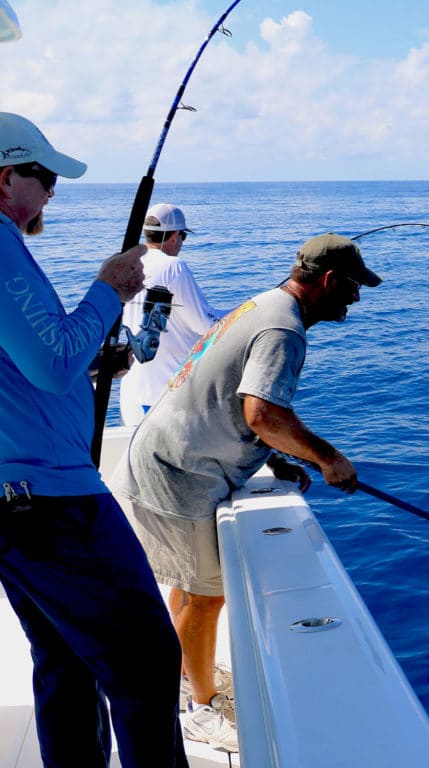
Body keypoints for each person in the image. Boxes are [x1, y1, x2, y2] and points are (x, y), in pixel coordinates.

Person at [112, 233, 382, 752]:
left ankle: (193, 677)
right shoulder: (284, 328)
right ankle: (197, 710)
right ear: (327, 281)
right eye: (352, 287)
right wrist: (327, 459)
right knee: (204, 594)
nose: (356, 297)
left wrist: (273, 453)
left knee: (193, 587)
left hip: (170, 458)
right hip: (180, 472)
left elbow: (239, 402)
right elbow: (263, 412)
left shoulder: (263, 303)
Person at [0, 112, 188, 767]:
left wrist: (92, 362)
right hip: (50, 505)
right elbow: (51, 361)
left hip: (20, 502)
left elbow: (29, 365)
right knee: (147, 663)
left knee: (67, 662)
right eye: (43, 176)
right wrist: (110, 290)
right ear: (4, 178)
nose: (52, 191)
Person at [119, 202, 224, 427]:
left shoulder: (128, 265)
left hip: (132, 395)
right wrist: (246, 310)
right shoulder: (173, 267)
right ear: (175, 236)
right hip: (166, 397)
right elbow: (206, 324)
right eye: (183, 237)